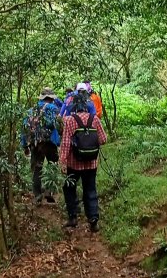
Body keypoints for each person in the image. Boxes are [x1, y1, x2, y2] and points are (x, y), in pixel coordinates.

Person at [59, 86, 106, 232]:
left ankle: (73, 217)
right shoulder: (95, 119)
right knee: (90, 189)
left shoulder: (69, 120)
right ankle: (93, 219)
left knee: (69, 188)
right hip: (91, 162)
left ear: (74, 106)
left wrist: (62, 161)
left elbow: (66, 143)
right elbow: (103, 139)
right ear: (87, 105)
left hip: (74, 163)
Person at [22, 89, 62, 205]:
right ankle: (49, 192)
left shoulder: (31, 111)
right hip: (50, 143)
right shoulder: (53, 109)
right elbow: (57, 125)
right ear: (50, 98)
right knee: (52, 165)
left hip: (35, 143)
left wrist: (25, 145)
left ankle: (37, 196)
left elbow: (24, 128)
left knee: (36, 169)